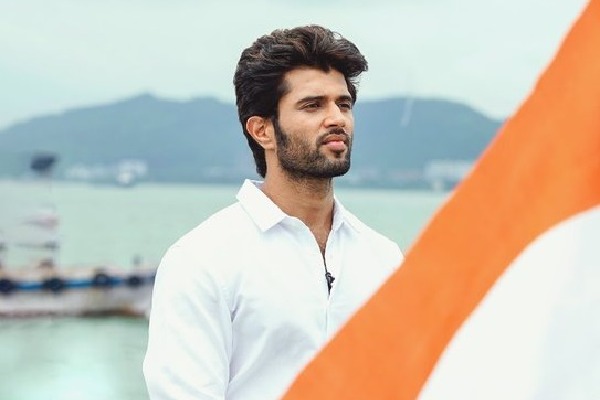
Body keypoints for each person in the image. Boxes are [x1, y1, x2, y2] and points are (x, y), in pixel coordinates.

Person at [143, 25, 404, 400]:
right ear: (262, 130)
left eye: (344, 104)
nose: (337, 118)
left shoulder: (383, 257)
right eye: (313, 105)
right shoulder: (202, 260)